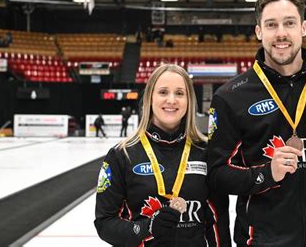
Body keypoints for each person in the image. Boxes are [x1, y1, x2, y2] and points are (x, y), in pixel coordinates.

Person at [206, 0, 306, 247]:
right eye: (271, 25)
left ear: (303, 28)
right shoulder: (230, 96)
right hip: (259, 241)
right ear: (258, 32)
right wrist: (266, 174)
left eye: (289, 23)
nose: (281, 33)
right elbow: (216, 174)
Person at [94, 64, 231, 247]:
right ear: (150, 98)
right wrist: (147, 228)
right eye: (163, 92)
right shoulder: (122, 154)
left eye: (180, 93)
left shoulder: (206, 151)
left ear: (189, 101)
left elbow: (218, 221)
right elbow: (105, 224)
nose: (172, 100)